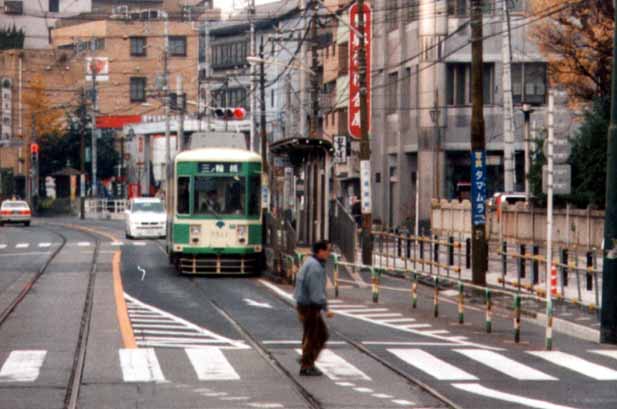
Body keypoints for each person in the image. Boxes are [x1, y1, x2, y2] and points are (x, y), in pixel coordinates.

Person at [293, 240, 334, 376]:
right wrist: (325, 308)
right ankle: (306, 365)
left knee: (314, 334)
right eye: (328, 250)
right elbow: (317, 292)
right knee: (315, 335)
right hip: (310, 306)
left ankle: (307, 360)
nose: (329, 253)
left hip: (304, 303)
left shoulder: (310, 262)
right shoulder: (315, 267)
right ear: (320, 251)